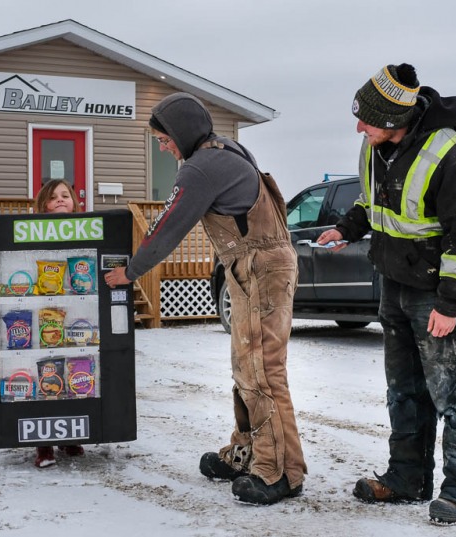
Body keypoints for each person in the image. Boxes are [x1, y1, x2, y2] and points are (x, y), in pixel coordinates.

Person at [104, 92, 306, 505]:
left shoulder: (200, 168)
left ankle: (281, 471)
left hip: (259, 267)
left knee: (263, 369)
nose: (163, 147)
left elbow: (165, 229)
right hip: (254, 265)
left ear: (182, 131)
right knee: (245, 365)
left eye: (164, 139)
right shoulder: (227, 149)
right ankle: (249, 451)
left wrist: (129, 272)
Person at [317, 64, 456, 525]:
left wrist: (450, 305)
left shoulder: (450, 155)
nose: (359, 128)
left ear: (395, 121)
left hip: (434, 293)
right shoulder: (377, 146)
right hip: (392, 285)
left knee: (454, 395)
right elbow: (374, 202)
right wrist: (345, 227)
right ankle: (407, 478)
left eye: (367, 120)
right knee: (404, 392)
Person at [0, 179, 85, 468]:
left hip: (74, 311)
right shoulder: (30, 231)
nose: (60, 200)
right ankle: (42, 444)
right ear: (42, 205)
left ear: (74, 201)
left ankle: (71, 434)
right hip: (34, 311)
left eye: (65, 196)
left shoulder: (87, 229)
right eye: (53, 197)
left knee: (70, 369)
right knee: (41, 370)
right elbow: (8, 259)